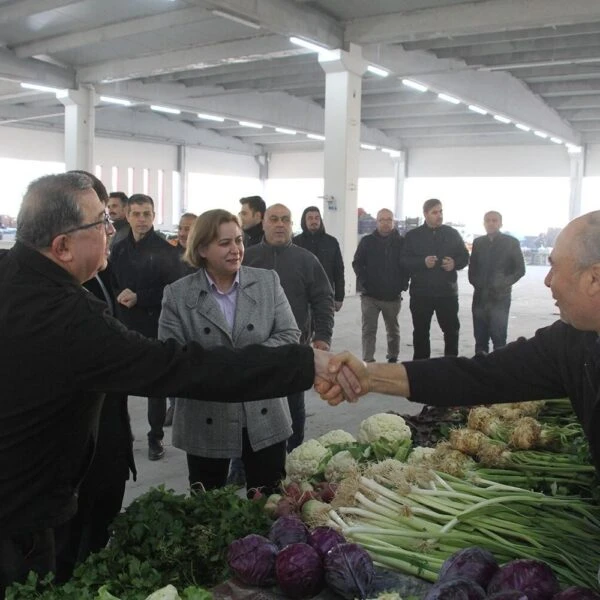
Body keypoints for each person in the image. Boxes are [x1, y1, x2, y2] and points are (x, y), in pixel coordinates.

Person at [0, 172, 355, 595]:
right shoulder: (65, 314)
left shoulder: (14, 275)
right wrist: (303, 362)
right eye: (101, 223)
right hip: (22, 514)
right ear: (61, 246)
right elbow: (177, 366)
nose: (112, 231)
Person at [319, 210, 600, 475]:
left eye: (554, 268)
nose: (548, 281)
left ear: (594, 278)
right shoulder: (572, 341)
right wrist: (370, 376)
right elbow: (480, 376)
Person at [159, 209, 299, 496]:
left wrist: (239, 363)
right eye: (225, 243)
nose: (236, 250)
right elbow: (172, 356)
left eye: (239, 241)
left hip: (264, 414)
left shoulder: (267, 282)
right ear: (201, 249)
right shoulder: (178, 294)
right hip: (205, 417)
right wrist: (236, 366)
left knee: (270, 502)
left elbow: (289, 336)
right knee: (208, 508)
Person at [53, 171, 136, 583]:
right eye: (102, 221)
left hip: (110, 443)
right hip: (66, 464)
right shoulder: (42, 301)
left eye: (109, 219)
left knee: (99, 534)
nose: (110, 230)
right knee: (63, 553)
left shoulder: (102, 273)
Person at [244, 203, 335, 452]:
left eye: (285, 219)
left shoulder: (306, 260)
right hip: (252, 349)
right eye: (274, 219)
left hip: (294, 347)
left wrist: (323, 336)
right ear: (263, 223)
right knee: (249, 405)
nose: (280, 224)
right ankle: (242, 463)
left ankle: (294, 454)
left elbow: (323, 299)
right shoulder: (247, 258)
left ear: (292, 224)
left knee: (294, 404)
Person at [109, 194, 180, 460]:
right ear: (127, 215)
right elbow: (112, 280)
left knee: (155, 387)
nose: (141, 219)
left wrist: (141, 297)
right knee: (119, 386)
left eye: (146, 214)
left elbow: (174, 291)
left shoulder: (166, 250)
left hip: (154, 325)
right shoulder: (119, 248)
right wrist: (119, 295)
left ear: (153, 215)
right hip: (124, 325)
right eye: (136, 214)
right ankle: (124, 434)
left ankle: (155, 438)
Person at [403, 198, 470, 359]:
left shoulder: (452, 234)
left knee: (451, 331)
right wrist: (422, 262)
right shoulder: (413, 236)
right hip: (421, 294)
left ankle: (451, 365)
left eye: (441, 211)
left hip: (447, 293)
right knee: (420, 332)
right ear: (425, 214)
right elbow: (403, 260)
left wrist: (454, 263)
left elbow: (464, 256)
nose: (439, 215)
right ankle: (421, 367)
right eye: (434, 212)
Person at [352, 208, 408, 363]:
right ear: (377, 222)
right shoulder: (367, 242)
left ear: (393, 222)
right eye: (382, 220)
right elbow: (357, 263)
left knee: (393, 330)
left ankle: (393, 356)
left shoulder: (402, 243)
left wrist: (402, 284)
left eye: (389, 219)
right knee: (368, 330)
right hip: (370, 296)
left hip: (392, 296)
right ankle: (368, 360)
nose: (385, 223)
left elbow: (406, 266)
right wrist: (364, 283)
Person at [469, 211, 526, 355]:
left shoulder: (511, 243)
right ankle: (480, 372)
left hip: (500, 298)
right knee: (480, 340)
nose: (491, 223)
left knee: (499, 339)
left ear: (500, 223)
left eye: (494, 220)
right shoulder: (478, 243)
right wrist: (478, 283)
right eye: (487, 220)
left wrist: (504, 283)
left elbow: (520, 270)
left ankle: (498, 373)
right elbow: (472, 270)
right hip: (480, 298)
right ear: (484, 224)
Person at [165, 211, 198, 427]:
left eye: (189, 228)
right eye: (182, 228)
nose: (184, 233)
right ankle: (174, 405)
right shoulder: (168, 256)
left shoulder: (205, 260)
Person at [293, 206, 345, 312]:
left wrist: (339, 297)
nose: (314, 221)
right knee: (301, 328)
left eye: (317, 218)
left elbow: (339, 271)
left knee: (325, 328)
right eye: (310, 218)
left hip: (325, 295)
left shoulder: (331, 242)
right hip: (301, 296)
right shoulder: (295, 243)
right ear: (304, 221)